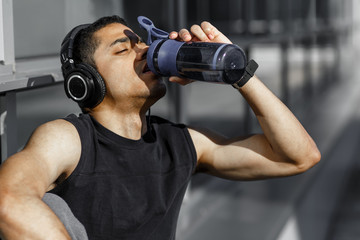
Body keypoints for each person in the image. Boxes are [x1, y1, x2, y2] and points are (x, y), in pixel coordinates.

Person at [0, 15, 321, 239]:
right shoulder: (69, 140)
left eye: (142, 45)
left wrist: (238, 74)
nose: (144, 52)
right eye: (123, 49)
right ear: (86, 82)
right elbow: (8, 199)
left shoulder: (179, 143)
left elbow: (297, 156)